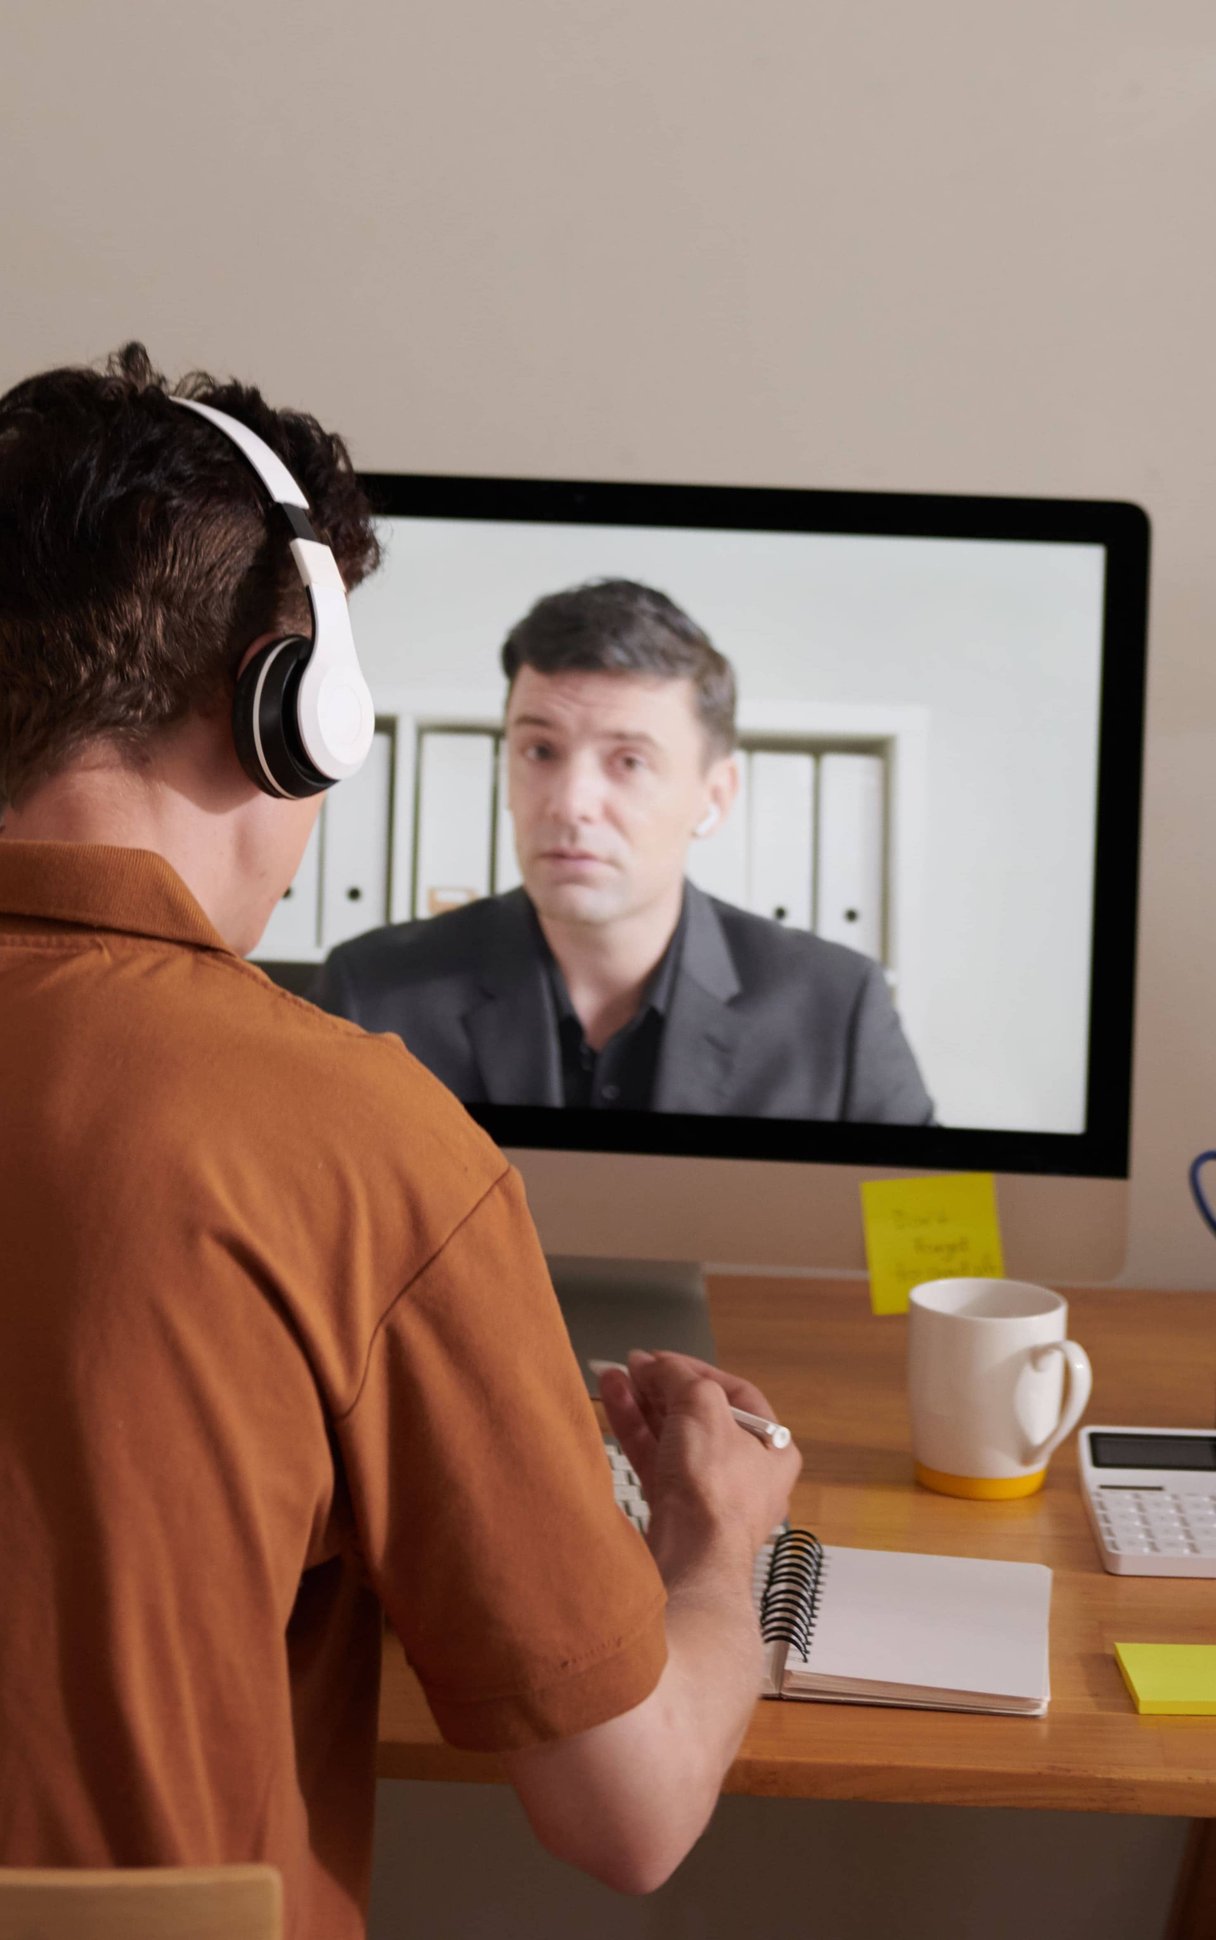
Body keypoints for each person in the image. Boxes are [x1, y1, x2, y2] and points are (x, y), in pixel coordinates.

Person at [0, 348, 800, 1938]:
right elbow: (629, 1814)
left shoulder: (811, 997)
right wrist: (727, 1554)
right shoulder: (348, 1131)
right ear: (288, 709)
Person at [314, 579, 934, 1121]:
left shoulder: (838, 1009)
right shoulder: (373, 996)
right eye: (540, 751)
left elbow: (931, 1218)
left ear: (715, 797)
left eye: (629, 761)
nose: (570, 802)